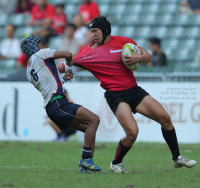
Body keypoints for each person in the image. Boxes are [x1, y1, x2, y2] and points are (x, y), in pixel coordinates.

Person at [70, 16, 197, 173]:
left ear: (105, 30)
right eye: (91, 32)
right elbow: (71, 65)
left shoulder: (123, 42)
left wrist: (140, 57)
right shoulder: (89, 52)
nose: (92, 35)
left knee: (165, 118)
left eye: (95, 31)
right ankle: (116, 163)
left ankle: (177, 158)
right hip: (115, 95)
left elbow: (148, 56)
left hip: (133, 90)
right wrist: (65, 70)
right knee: (132, 133)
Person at [20, 35, 102, 173]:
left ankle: (87, 166)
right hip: (59, 102)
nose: (42, 45)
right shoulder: (40, 54)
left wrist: (64, 79)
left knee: (89, 128)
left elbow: (49, 85)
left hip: (51, 107)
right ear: (35, 47)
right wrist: (70, 62)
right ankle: (86, 160)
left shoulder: (29, 71)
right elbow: (68, 54)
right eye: (40, 43)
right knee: (94, 120)